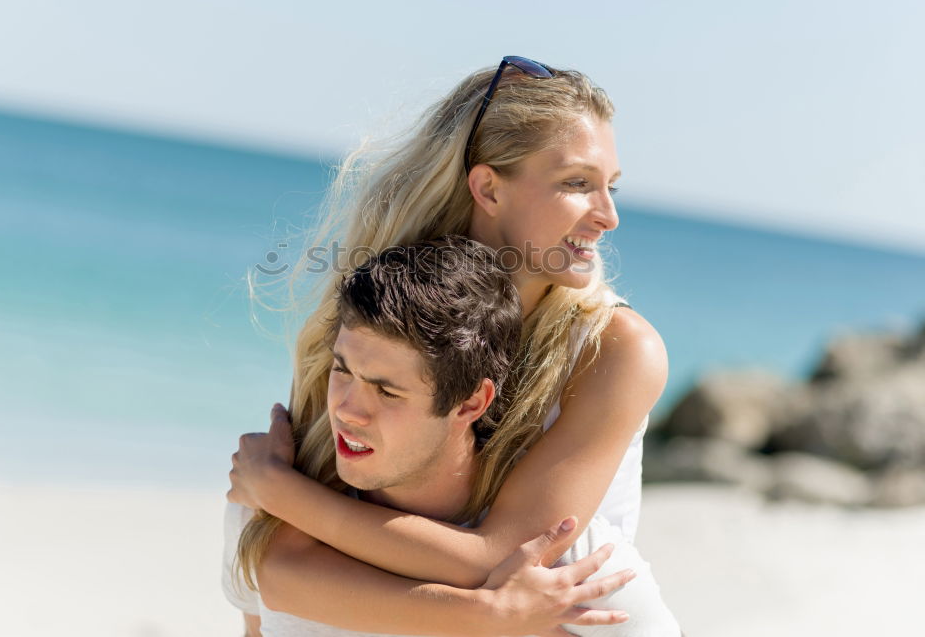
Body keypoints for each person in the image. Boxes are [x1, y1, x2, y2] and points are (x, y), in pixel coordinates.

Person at [228, 57, 673, 633]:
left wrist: (280, 492)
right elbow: (277, 575)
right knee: (247, 532)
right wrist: (270, 500)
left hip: (567, 620)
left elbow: (508, 555)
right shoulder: (383, 309)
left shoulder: (613, 348)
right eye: (576, 184)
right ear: (488, 187)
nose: (608, 216)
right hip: (406, 600)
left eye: (608, 187)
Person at [224, 238, 679, 636]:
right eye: (342, 370)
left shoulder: (573, 572)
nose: (345, 409)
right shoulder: (266, 503)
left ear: (469, 403)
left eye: (386, 390)